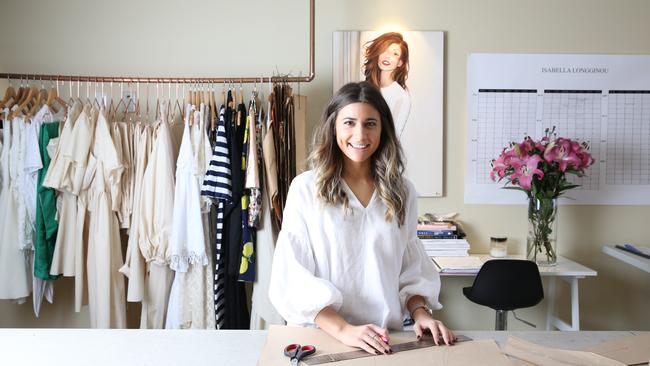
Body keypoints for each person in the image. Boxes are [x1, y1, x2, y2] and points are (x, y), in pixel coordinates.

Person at [268, 82, 454, 355]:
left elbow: (410, 269)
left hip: (384, 341)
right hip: (323, 339)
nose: (360, 134)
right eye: (349, 123)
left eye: (370, 123)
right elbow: (292, 278)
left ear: (383, 129)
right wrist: (344, 330)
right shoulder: (306, 188)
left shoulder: (402, 192)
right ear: (333, 127)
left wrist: (422, 314)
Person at [363, 32, 411, 139]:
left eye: (395, 54)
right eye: (384, 50)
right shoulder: (365, 89)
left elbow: (393, 137)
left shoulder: (401, 97)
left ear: (400, 62)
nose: (387, 56)